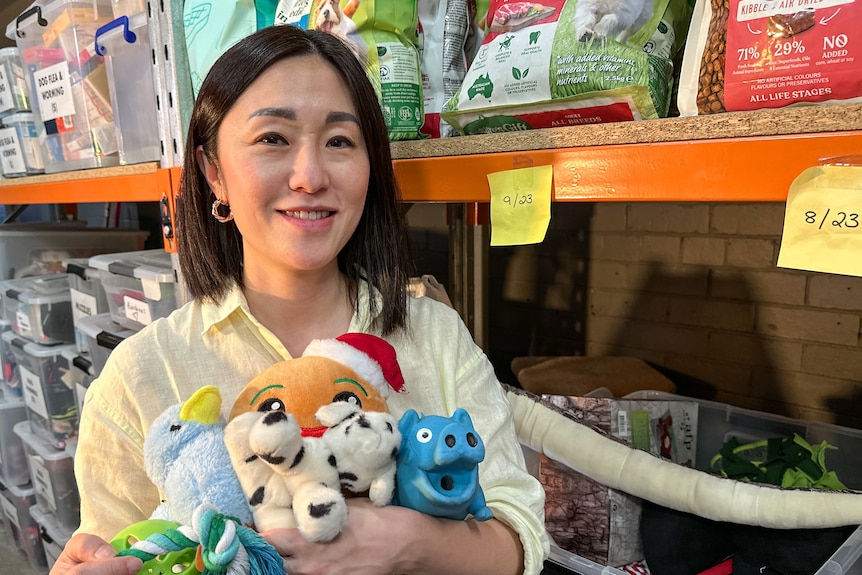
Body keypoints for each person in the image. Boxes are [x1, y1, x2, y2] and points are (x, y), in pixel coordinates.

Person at [52, 24, 549, 575]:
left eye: (340, 141)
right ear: (213, 172)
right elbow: (118, 547)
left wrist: (409, 541)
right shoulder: (140, 374)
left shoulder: (434, 334)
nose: (310, 177)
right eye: (273, 139)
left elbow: (518, 535)